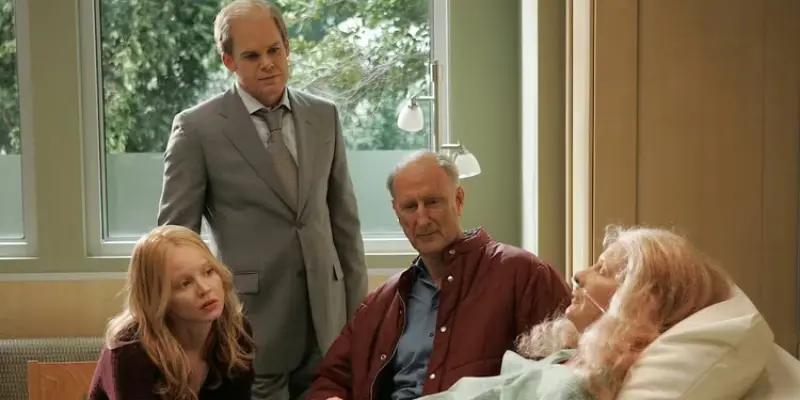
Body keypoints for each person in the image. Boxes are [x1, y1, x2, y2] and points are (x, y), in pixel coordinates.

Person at [156, 0, 368, 398]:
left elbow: (345, 225)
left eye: (274, 50)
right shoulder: (197, 129)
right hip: (247, 326)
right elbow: (173, 243)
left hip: (329, 322)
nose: (268, 64)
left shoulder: (324, 116)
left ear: (287, 47)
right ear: (229, 61)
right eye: (252, 56)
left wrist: (359, 319)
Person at [306, 151, 573, 400]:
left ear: (459, 200)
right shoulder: (381, 303)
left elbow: (569, 373)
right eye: (410, 207)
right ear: (396, 213)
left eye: (432, 202)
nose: (422, 220)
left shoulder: (524, 275)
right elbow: (330, 379)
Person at [415, 225, 734, 400]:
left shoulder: (574, 387)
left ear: (639, 299)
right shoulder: (573, 358)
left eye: (603, 271)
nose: (579, 275)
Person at [87, 225, 255, 400]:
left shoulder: (235, 331)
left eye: (208, 272)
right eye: (185, 283)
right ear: (158, 298)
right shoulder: (129, 349)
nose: (205, 289)